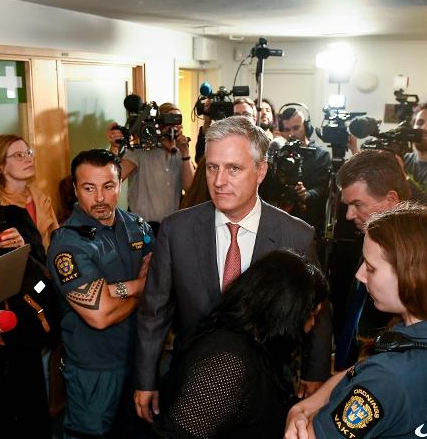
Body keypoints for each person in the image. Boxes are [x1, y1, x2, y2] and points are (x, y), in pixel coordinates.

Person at [134, 116, 333, 424]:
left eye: (234, 168)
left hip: (264, 389)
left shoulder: (295, 234)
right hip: (190, 381)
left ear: (261, 171)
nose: (219, 180)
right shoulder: (177, 229)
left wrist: (315, 371)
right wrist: (146, 379)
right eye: (212, 167)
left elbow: (316, 312)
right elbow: (154, 311)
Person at [284, 202, 427, 439]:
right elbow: (359, 370)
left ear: (410, 275)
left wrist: (299, 411)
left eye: (370, 268)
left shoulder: (387, 379)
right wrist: (303, 408)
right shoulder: (407, 341)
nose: (360, 275)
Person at [152, 250, 328, 439]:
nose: (312, 326)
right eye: (312, 316)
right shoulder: (228, 364)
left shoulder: (258, 344)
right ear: (285, 313)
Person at [47, 149, 154, 439]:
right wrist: (140, 287)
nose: (100, 198)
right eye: (88, 188)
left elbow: (163, 279)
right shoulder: (68, 245)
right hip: (94, 370)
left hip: (140, 359)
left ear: (120, 183)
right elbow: (100, 315)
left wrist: (118, 292)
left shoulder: (136, 225)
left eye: (108, 186)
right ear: (75, 189)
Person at [0, 151, 60, 439]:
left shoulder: (14, 216)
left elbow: (42, 264)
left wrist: (21, 245)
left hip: (22, 329)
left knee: (33, 412)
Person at [333, 150, 411, 370]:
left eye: (357, 204)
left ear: (391, 200)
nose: (349, 215)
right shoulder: (371, 238)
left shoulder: (416, 258)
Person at [107, 101, 195, 235]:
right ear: (158, 123)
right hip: (141, 229)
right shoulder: (140, 152)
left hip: (171, 230)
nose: (173, 127)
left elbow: (190, 188)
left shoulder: (181, 153)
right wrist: (114, 148)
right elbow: (112, 178)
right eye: (168, 121)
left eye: (177, 122)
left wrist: (185, 153)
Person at [0, 133, 59, 250]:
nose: (28, 159)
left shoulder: (40, 196)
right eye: (19, 155)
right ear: (0, 167)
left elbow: (57, 239)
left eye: (29, 153)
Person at [277, 106, 331, 235]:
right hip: (281, 220)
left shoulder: (321, 155)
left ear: (306, 127)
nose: (291, 134)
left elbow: (322, 188)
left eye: (296, 128)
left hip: (309, 221)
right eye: (287, 130)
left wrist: (306, 194)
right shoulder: (279, 154)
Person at [404, 102, 427, 194]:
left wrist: (402, 175)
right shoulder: (402, 158)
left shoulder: (400, 164)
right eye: (420, 122)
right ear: (413, 127)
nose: (425, 128)